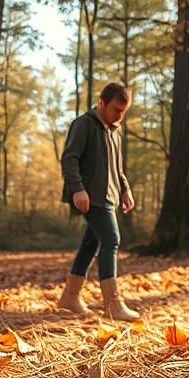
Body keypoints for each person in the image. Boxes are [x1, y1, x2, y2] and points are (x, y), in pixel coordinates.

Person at [57, 81, 140, 321]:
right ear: (101, 103)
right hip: (90, 195)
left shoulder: (115, 129)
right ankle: (112, 304)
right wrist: (78, 189)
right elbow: (69, 158)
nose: (119, 115)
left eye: (124, 111)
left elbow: (117, 166)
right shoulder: (84, 124)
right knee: (112, 239)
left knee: (90, 244)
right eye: (115, 109)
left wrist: (125, 189)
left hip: (110, 195)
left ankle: (70, 297)